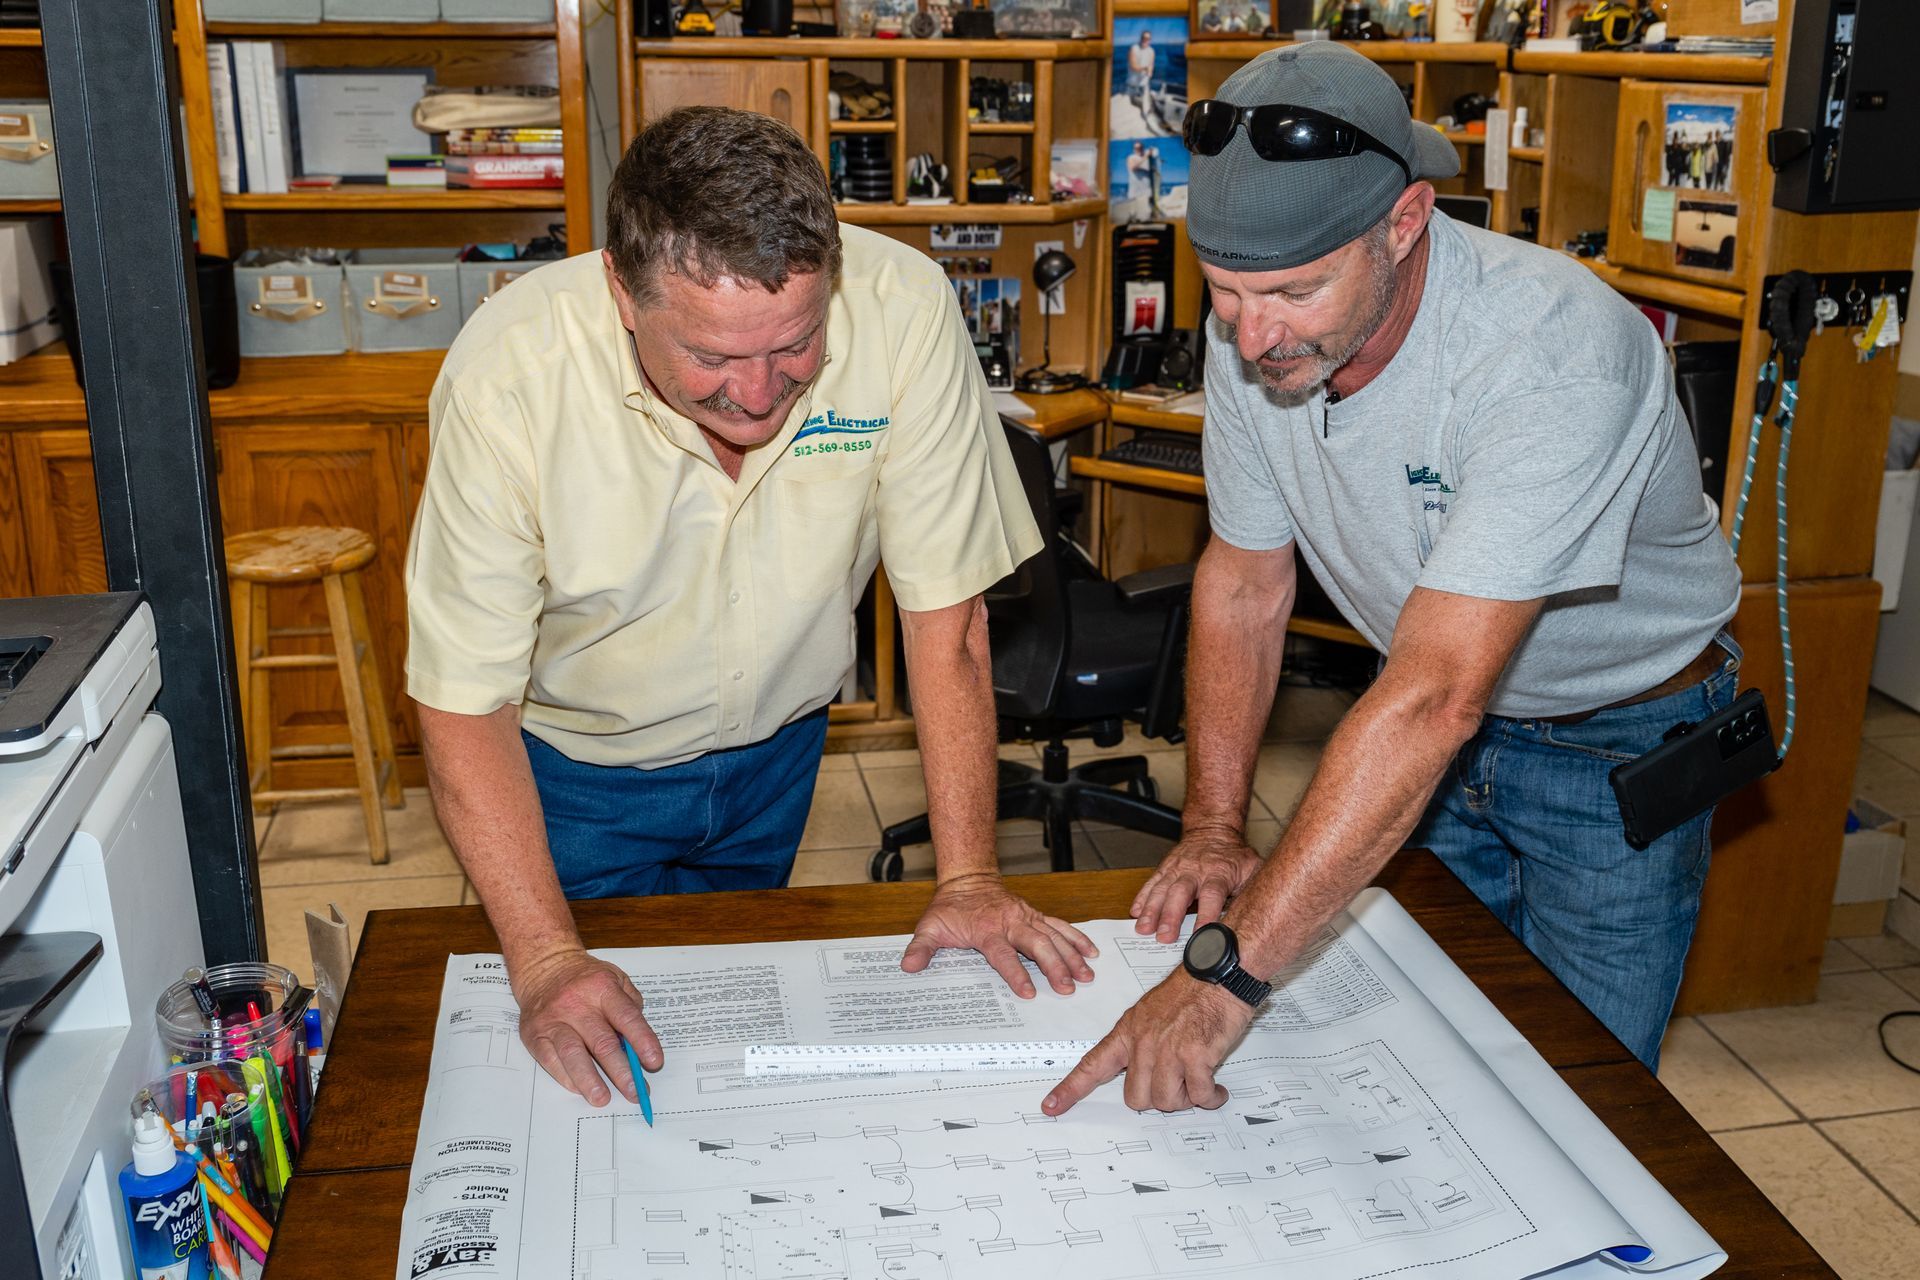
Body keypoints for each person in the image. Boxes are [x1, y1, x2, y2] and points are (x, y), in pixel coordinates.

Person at [1043, 43, 1740, 1117]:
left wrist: (1223, 979)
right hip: (1416, 724)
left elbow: (1433, 697)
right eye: (1224, 291)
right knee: (1417, 1063)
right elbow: (1241, 585)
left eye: (1293, 291)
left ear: (1406, 222)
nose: (1252, 331)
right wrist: (1216, 825)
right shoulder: (1256, 338)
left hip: (1614, 744)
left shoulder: (1549, 352)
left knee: (1577, 1094)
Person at [408, 107, 1099, 1109]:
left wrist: (968, 881)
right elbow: (461, 701)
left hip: (779, 755)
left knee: (719, 1059)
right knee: (579, 1063)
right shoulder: (509, 375)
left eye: (796, 344)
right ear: (621, 291)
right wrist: (551, 959)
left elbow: (945, 623)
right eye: (714, 357)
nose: (759, 392)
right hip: (574, 777)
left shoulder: (902, 311)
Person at [1127, 29, 1156, 108]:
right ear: (1141, 38)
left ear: (1150, 40)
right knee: (1132, 108)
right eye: (1144, 38)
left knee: (1145, 108)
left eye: (1148, 38)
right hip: (1132, 86)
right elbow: (1133, 66)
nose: (1145, 40)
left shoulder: (1152, 51)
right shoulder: (1134, 48)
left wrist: (1150, 72)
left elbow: (1151, 65)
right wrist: (1146, 68)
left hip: (1144, 85)